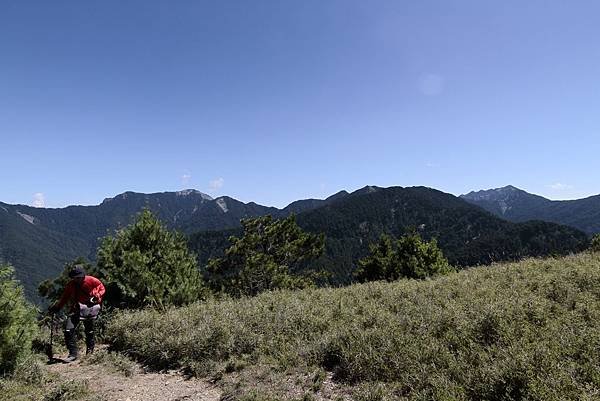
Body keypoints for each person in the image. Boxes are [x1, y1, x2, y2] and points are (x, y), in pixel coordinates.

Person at [48, 265, 105, 362]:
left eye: (79, 277)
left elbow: (102, 288)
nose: (77, 279)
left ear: (83, 275)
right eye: (75, 277)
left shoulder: (91, 280)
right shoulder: (71, 285)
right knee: (68, 330)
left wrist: (97, 295)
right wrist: (57, 307)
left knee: (89, 331)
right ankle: (73, 354)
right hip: (76, 309)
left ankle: (90, 353)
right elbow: (65, 297)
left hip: (89, 308)